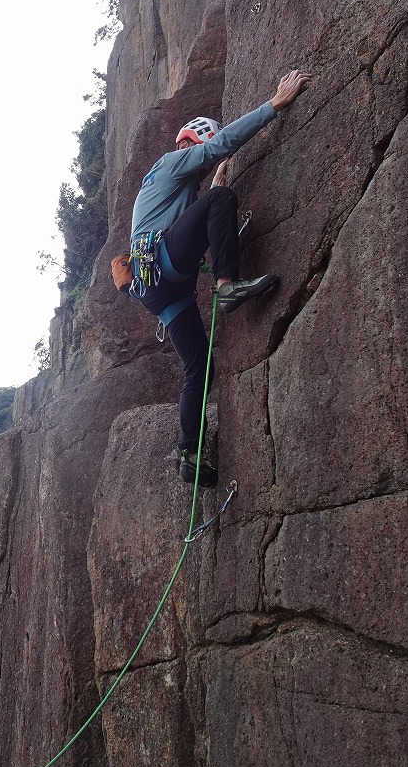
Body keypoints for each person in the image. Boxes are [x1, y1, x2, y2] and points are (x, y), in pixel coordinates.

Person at [129, 69, 312, 486]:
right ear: (192, 142)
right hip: (164, 262)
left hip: (159, 289)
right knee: (222, 198)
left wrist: (208, 190)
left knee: (200, 366)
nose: (207, 158)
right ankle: (227, 287)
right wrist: (275, 104)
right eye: (204, 150)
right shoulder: (172, 161)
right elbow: (223, 145)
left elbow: (187, 220)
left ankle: (188, 454)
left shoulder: (165, 185)